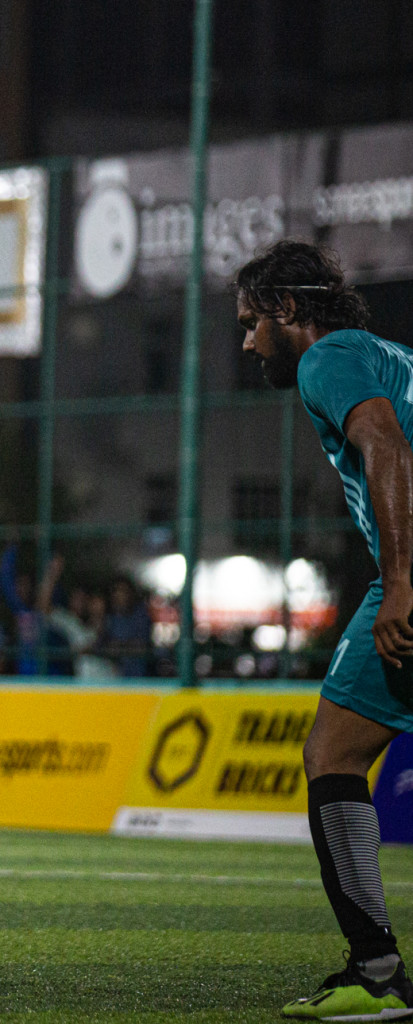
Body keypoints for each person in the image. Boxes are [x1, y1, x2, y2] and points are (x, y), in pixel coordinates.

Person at [236, 238, 413, 1019]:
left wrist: (402, 581)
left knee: (331, 754)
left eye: (249, 323)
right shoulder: (392, 354)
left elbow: (382, 443)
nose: (246, 343)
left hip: (411, 578)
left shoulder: (325, 357)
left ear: (287, 311)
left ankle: (375, 973)